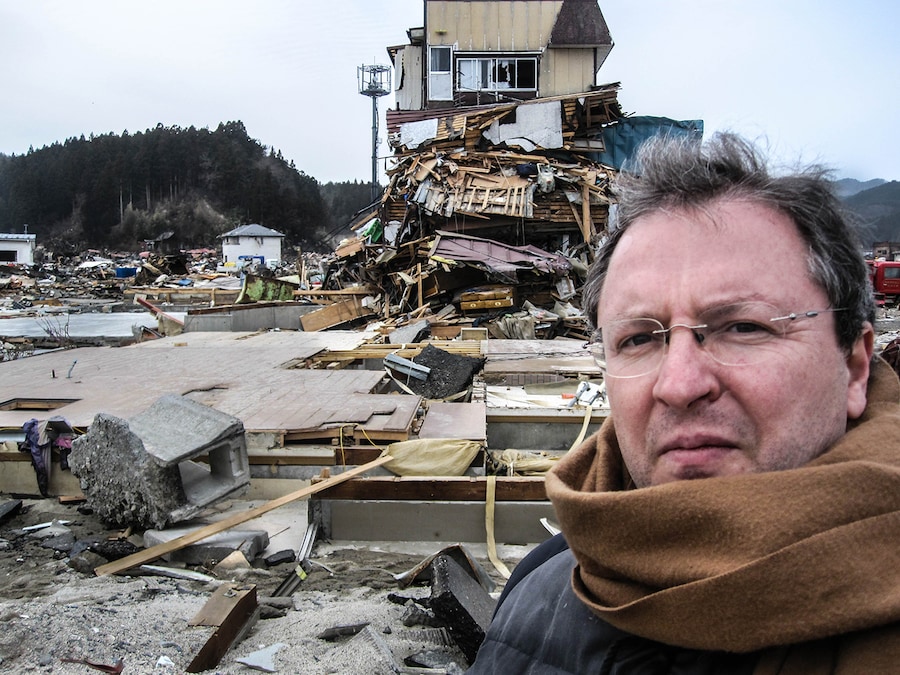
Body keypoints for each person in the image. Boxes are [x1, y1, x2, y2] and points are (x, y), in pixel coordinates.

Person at [467, 132, 900, 674]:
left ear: (855, 366)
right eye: (639, 339)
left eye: (742, 327)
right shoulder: (541, 587)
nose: (678, 384)